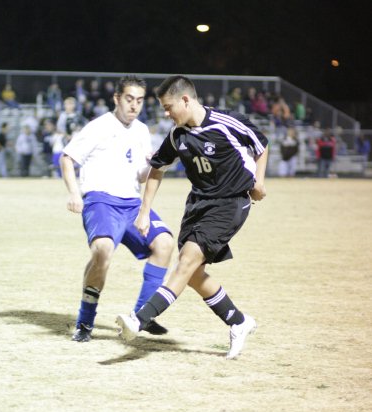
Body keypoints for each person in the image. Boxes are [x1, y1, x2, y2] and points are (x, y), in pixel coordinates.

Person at [116, 75, 268, 360]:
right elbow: (157, 168)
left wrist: (258, 182)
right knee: (193, 273)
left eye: (168, 106)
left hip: (231, 202)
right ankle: (238, 322)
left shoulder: (226, 122)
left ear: (186, 100)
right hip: (198, 205)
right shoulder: (177, 135)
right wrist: (145, 211)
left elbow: (261, 144)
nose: (166, 113)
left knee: (186, 262)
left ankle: (140, 319)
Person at [60, 75, 174, 342]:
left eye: (139, 100)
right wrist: (74, 194)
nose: (134, 106)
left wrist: (157, 165)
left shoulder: (142, 131)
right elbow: (67, 158)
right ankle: (85, 322)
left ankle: (140, 317)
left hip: (132, 204)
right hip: (101, 201)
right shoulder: (98, 127)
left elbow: (142, 176)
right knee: (103, 252)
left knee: (166, 244)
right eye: (129, 99)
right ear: (117, 99)